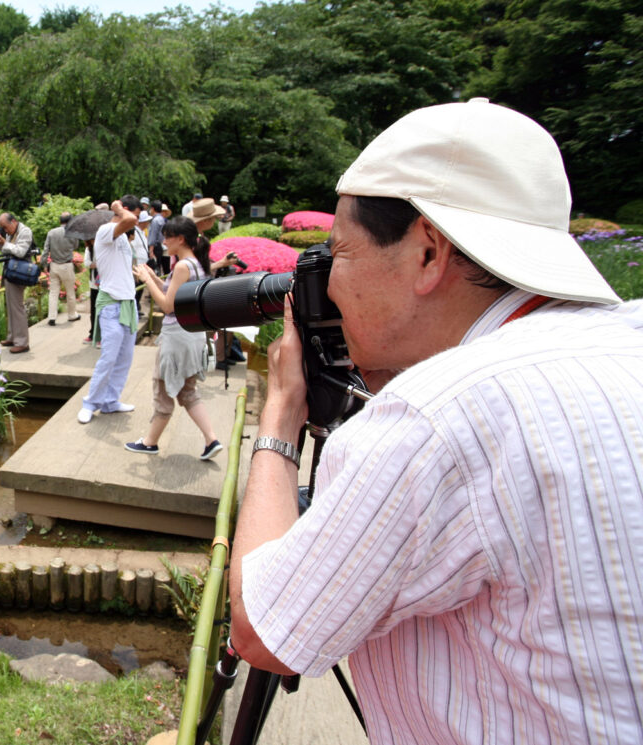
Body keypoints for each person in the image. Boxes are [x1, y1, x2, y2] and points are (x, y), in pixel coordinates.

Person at [228, 99, 643, 744]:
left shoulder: (435, 418)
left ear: (428, 252)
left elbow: (264, 630)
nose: (328, 287)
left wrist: (281, 410)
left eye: (338, 253)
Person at [127, 215, 223, 459]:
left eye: (168, 237)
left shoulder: (181, 266)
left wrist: (148, 281)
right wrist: (155, 277)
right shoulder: (195, 264)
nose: (163, 241)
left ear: (180, 239)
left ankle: (150, 442)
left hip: (177, 338)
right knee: (188, 392)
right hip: (191, 336)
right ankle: (211, 440)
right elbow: (175, 292)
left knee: (162, 387)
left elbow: (169, 306)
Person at [77, 196, 144, 424]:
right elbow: (130, 220)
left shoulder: (123, 237)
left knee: (125, 357)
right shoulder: (105, 230)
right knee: (108, 357)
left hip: (128, 302)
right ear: (125, 211)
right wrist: (116, 208)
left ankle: (110, 401)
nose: (136, 220)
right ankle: (90, 403)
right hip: (111, 303)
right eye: (133, 213)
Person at [188, 197, 240, 369]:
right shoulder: (195, 240)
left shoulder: (197, 237)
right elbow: (197, 269)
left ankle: (217, 356)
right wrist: (221, 264)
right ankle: (213, 357)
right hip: (196, 287)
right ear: (207, 220)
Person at [0, 212, 34, 354]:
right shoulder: (10, 233)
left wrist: (5, 243)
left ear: (13, 221)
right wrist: (0, 242)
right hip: (10, 271)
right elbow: (6, 251)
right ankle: (12, 336)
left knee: (17, 307)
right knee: (10, 306)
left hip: (19, 272)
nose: (4, 229)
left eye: (5, 226)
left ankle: (22, 342)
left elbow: (20, 252)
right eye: (1, 227)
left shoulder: (25, 231)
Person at [43, 212, 82, 326]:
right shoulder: (72, 233)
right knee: (70, 292)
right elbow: (75, 246)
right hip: (67, 265)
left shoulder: (51, 232)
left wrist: (44, 264)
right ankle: (72, 315)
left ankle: (52, 317)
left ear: (60, 221)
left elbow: (45, 250)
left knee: (53, 292)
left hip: (54, 265)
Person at [148, 202, 168, 274]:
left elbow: (153, 235)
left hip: (155, 247)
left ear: (153, 209)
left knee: (154, 267)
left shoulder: (155, 220)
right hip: (160, 246)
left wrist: (151, 250)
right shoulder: (161, 219)